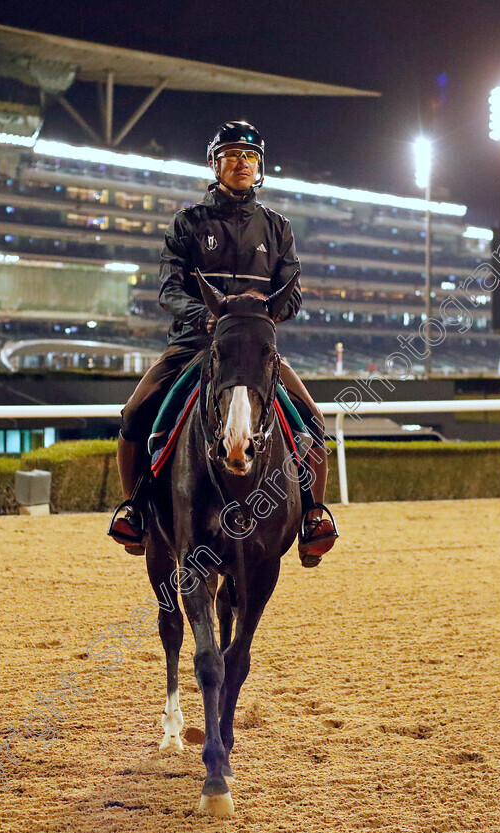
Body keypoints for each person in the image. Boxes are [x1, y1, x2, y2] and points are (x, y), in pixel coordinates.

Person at [111, 120, 337, 564]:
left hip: (252, 351)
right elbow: (168, 291)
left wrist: (255, 316)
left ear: (260, 168)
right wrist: (210, 316)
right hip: (194, 345)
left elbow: (291, 297)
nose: (242, 163)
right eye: (232, 155)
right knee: (136, 412)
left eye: (250, 156)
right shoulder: (188, 223)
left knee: (312, 422)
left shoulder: (278, 228)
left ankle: (313, 514)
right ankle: (133, 507)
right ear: (215, 164)